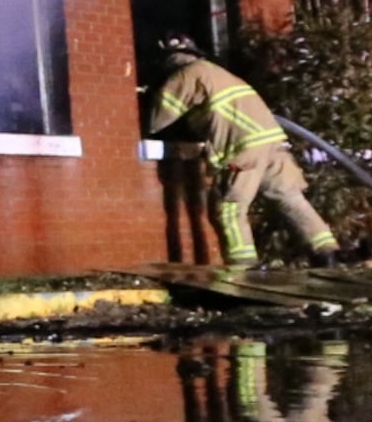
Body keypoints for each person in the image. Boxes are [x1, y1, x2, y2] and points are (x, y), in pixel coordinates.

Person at [144, 33, 339, 266]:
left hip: (243, 148)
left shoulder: (188, 74)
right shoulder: (219, 74)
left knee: (229, 208)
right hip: (273, 143)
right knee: (291, 199)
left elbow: (157, 118)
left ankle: (242, 267)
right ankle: (327, 253)